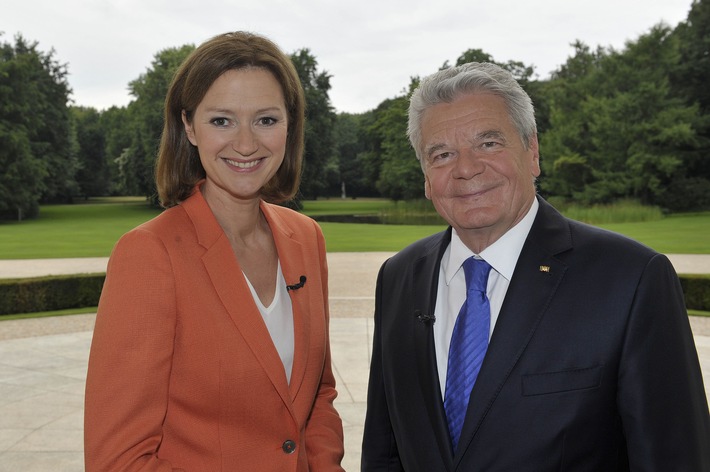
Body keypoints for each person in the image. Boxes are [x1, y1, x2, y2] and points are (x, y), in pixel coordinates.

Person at [361, 62, 710, 471]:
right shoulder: (399, 278)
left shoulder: (631, 279)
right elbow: (384, 451)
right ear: (425, 176)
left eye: (489, 144)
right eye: (442, 154)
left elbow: (676, 458)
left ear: (533, 152)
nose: (466, 168)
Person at [84, 31, 344, 471]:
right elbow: (119, 460)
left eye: (266, 120)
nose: (246, 144)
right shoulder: (149, 254)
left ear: (290, 124)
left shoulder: (307, 238)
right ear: (188, 126)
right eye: (222, 120)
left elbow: (317, 396)